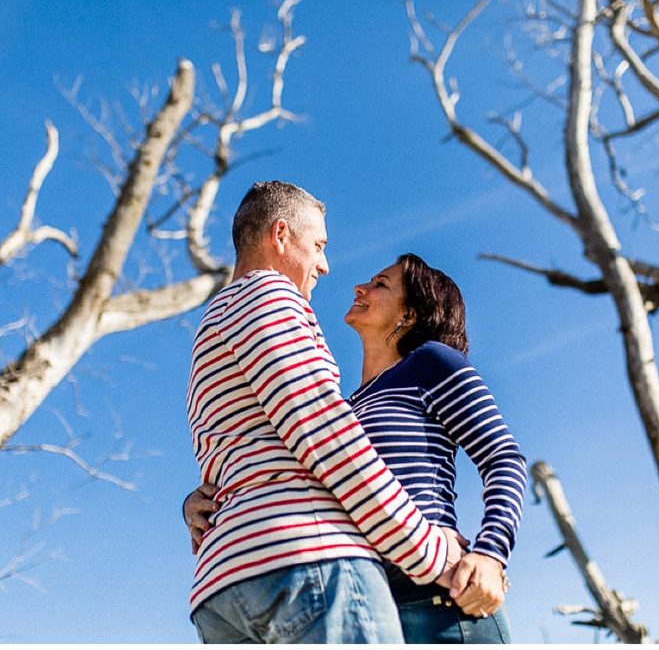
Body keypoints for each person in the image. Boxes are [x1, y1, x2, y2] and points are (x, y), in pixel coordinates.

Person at [186, 251, 527, 643]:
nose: (359, 287)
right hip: (366, 596)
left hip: (442, 602)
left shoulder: (431, 364)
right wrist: (197, 499)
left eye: (380, 284)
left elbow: (503, 457)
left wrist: (491, 552)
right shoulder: (342, 407)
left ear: (410, 314)